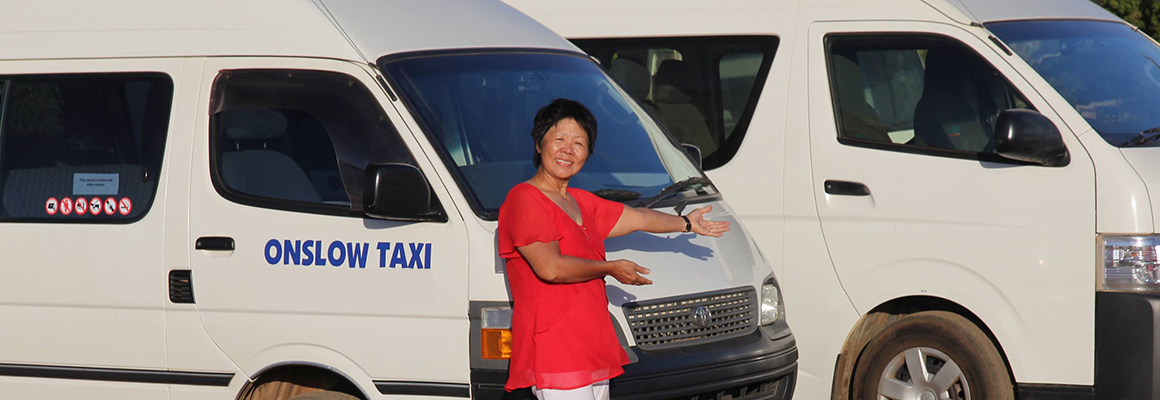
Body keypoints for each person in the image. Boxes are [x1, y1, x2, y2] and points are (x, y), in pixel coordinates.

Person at [497, 98, 730, 400]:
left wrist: (685, 223)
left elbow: (639, 217)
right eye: (559, 139)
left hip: (591, 345)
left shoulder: (581, 201)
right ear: (540, 145)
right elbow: (551, 268)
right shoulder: (524, 199)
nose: (568, 149)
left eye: (579, 143)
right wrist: (609, 268)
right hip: (557, 350)